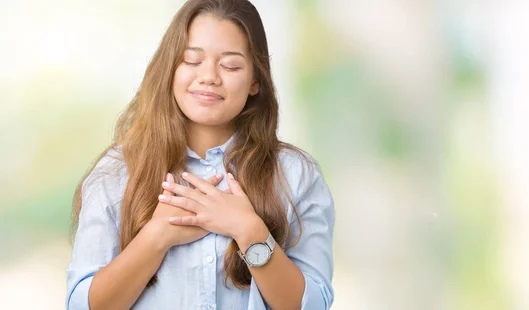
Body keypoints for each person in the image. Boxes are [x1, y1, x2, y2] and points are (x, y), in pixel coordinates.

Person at [65, 0, 335, 309]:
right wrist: (156, 237)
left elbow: (314, 305)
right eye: (192, 60)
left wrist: (249, 231)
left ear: (255, 81)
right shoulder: (117, 172)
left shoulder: (296, 175)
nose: (209, 76)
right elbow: (81, 305)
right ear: (170, 69)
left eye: (231, 65)